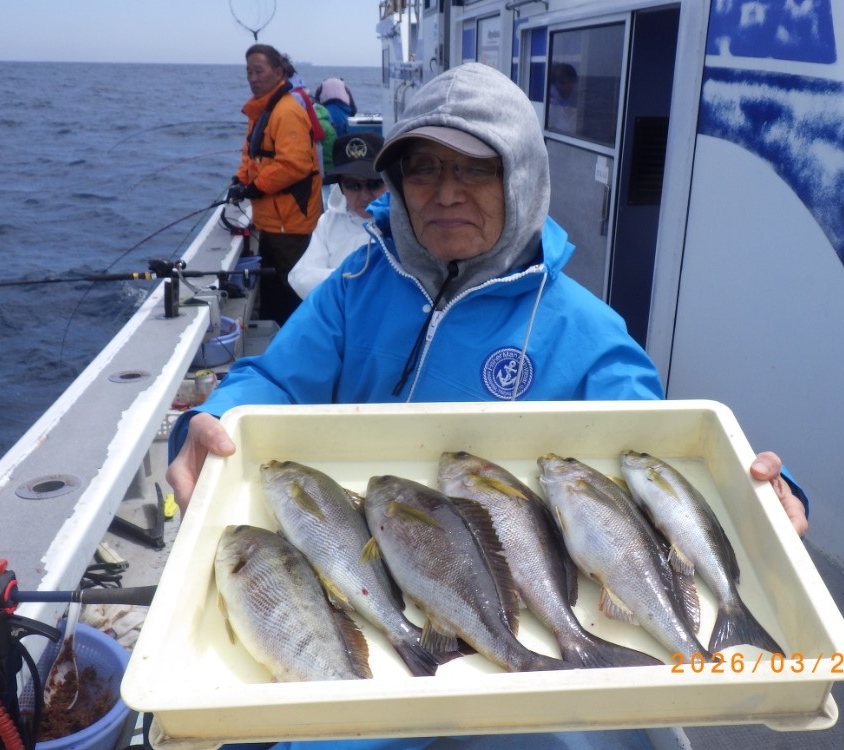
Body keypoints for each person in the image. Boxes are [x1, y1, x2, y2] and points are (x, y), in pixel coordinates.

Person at [169, 62, 808, 750]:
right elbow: (274, 381)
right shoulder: (354, 286)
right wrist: (211, 422)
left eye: (476, 169)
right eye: (423, 169)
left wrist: (768, 493)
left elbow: (656, 450)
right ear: (398, 184)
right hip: (380, 642)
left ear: (522, 177)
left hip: (532, 684)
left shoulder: (583, 328)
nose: (446, 192)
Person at [227, 44, 323, 325]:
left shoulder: (286, 111)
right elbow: (252, 157)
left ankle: (299, 342)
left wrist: (255, 187)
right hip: (272, 221)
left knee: (293, 293)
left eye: (259, 71)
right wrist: (241, 180)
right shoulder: (261, 111)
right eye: (249, 72)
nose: (253, 78)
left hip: (291, 223)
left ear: (279, 72)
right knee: (272, 292)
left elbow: (294, 165)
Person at [288, 132, 387, 299]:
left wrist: (337, 280)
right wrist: (359, 280)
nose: (364, 196)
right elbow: (300, 277)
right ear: (341, 186)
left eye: (374, 183)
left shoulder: (404, 223)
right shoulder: (328, 222)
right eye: (353, 185)